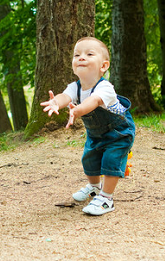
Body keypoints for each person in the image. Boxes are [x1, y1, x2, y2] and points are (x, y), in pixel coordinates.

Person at [40, 37, 135, 216]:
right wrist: (55, 102)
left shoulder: (105, 87)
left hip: (119, 133)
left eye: (89, 54)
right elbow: (65, 96)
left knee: (110, 162)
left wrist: (78, 111)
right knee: (89, 160)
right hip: (96, 134)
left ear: (104, 66)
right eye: (77, 55)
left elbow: (93, 101)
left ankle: (106, 198)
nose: (81, 57)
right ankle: (94, 188)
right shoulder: (75, 87)